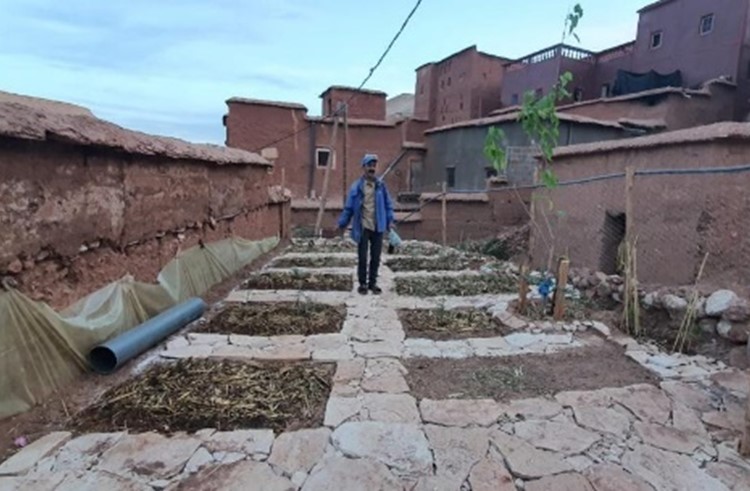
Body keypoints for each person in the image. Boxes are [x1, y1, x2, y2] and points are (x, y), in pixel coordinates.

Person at [338, 153, 395, 295]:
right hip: (363, 226)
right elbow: (349, 207)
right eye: (369, 165)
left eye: (374, 165)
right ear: (363, 167)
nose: (372, 168)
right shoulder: (357, 187)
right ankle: (362, 284)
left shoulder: (381, 186)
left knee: (376, 257)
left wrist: (390, 220)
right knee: (362, 256)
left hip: (378, 226)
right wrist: (342, 223)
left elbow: (388, 205)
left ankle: (373, 283)